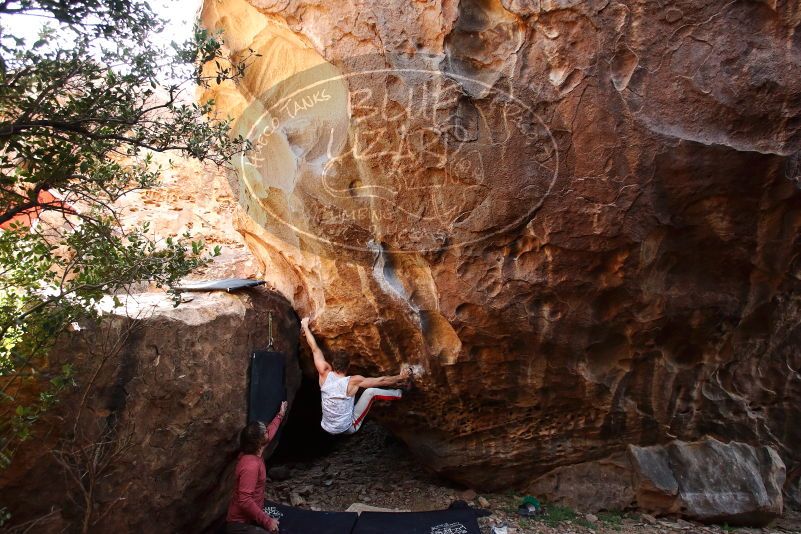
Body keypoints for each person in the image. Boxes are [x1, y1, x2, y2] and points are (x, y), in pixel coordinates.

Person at [300, 317, 411, 435]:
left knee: (350, 397)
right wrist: (401, 377)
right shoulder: (353, 381)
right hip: (347, 428)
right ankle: (400, 393)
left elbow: (314, 349)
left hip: (326, 426)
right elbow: (381, 381)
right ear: (349, 366)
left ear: (332, 364)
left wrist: (305, 326)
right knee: (371, 392)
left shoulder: (324, 373)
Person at [226, 401, 287, 534]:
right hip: (238, 526)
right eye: (264, 432)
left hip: (250, 519)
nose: (267, 431)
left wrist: (280, 414)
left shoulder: (254, 449)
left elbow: (270, 432)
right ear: (259, 442)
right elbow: (245, 501)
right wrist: (267, 521)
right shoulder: (250, 466)